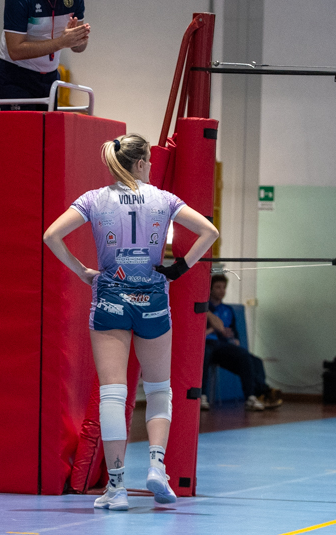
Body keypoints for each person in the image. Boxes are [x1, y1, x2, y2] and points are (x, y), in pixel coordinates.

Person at [43, 133, 218, 510]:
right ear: (140, 163)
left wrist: (82, 271)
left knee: (113, 392)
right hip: (152, 296)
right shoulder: (164, 199)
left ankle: (117, 486)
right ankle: (157, 466)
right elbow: (210, 232)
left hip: (110, 294)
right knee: (158, 389)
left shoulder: (93, 199)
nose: (151, 166)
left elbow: (51, 235)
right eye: (149, 161)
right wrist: (179, 268)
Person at [0, 0, 90, 108]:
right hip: (15, 76)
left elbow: (79, 48)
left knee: (47, 126)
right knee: (24, 126)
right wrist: (61, 42)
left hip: (50, 77)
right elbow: (15, 50)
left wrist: (77, 40)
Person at [203, 274, 282, 412]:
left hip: (223, 346)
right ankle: (201, 396)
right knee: (205, 354)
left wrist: (233, 339)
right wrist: (215, 329)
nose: (222, 290)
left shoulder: (228, 310)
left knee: (250, 358)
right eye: (218, 287)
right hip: (207, 344)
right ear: (210, 289)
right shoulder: (203, 307)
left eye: (224, 287)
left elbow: (234, 333)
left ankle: (254, 395)